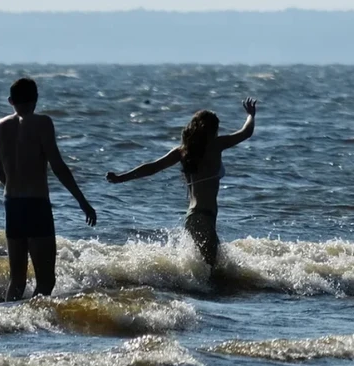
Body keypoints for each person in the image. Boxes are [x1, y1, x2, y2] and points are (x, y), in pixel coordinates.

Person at [106, 98, 257, 273]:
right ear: (212, 130)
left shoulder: (182, 151)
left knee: (209, 270)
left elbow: (152, 167)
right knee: (212, 272)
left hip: (193, 218)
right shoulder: (216, 145)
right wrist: (251, 115)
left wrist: (121, 178)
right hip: (204, 218)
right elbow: (246, 132)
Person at [0, 77, 97, 301]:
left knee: (17, 281)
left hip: (12, 205)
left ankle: (11, 325)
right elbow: (58, 166)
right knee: (46, 280)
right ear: (36, 99)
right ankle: (34, 324)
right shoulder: (43, 123)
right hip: (36, 205)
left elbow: (2, 174)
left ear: (10, 101)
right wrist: (82, 201)